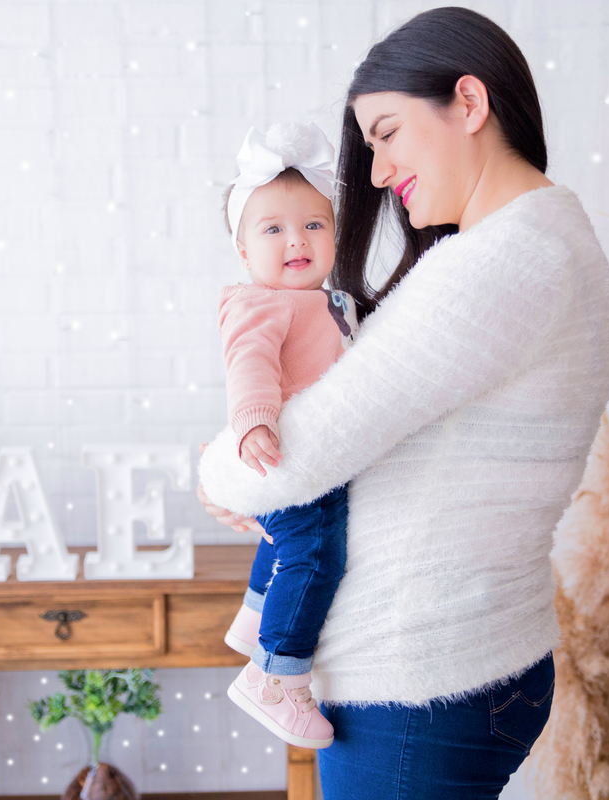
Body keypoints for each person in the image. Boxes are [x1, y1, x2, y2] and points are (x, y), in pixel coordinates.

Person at [196, 7, 609, 798]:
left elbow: (300, 453)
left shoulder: (502, 262)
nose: (380, 173)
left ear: (468, 103)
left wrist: (218, 472)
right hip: (470, 662)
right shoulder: (546, 239)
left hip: (416, 683)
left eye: (386, 133)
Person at [215, 122, 359, 750]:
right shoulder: (260, 303)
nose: (295, 240)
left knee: (286, 544)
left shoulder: (331, 300)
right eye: (272, 229)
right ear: (245, 252)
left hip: (317, 455)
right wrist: (252, 423)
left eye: (313, 225)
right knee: (316, 552)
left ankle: (254, 614)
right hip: (294, 456)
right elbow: (249, 361)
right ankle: (275, 676)